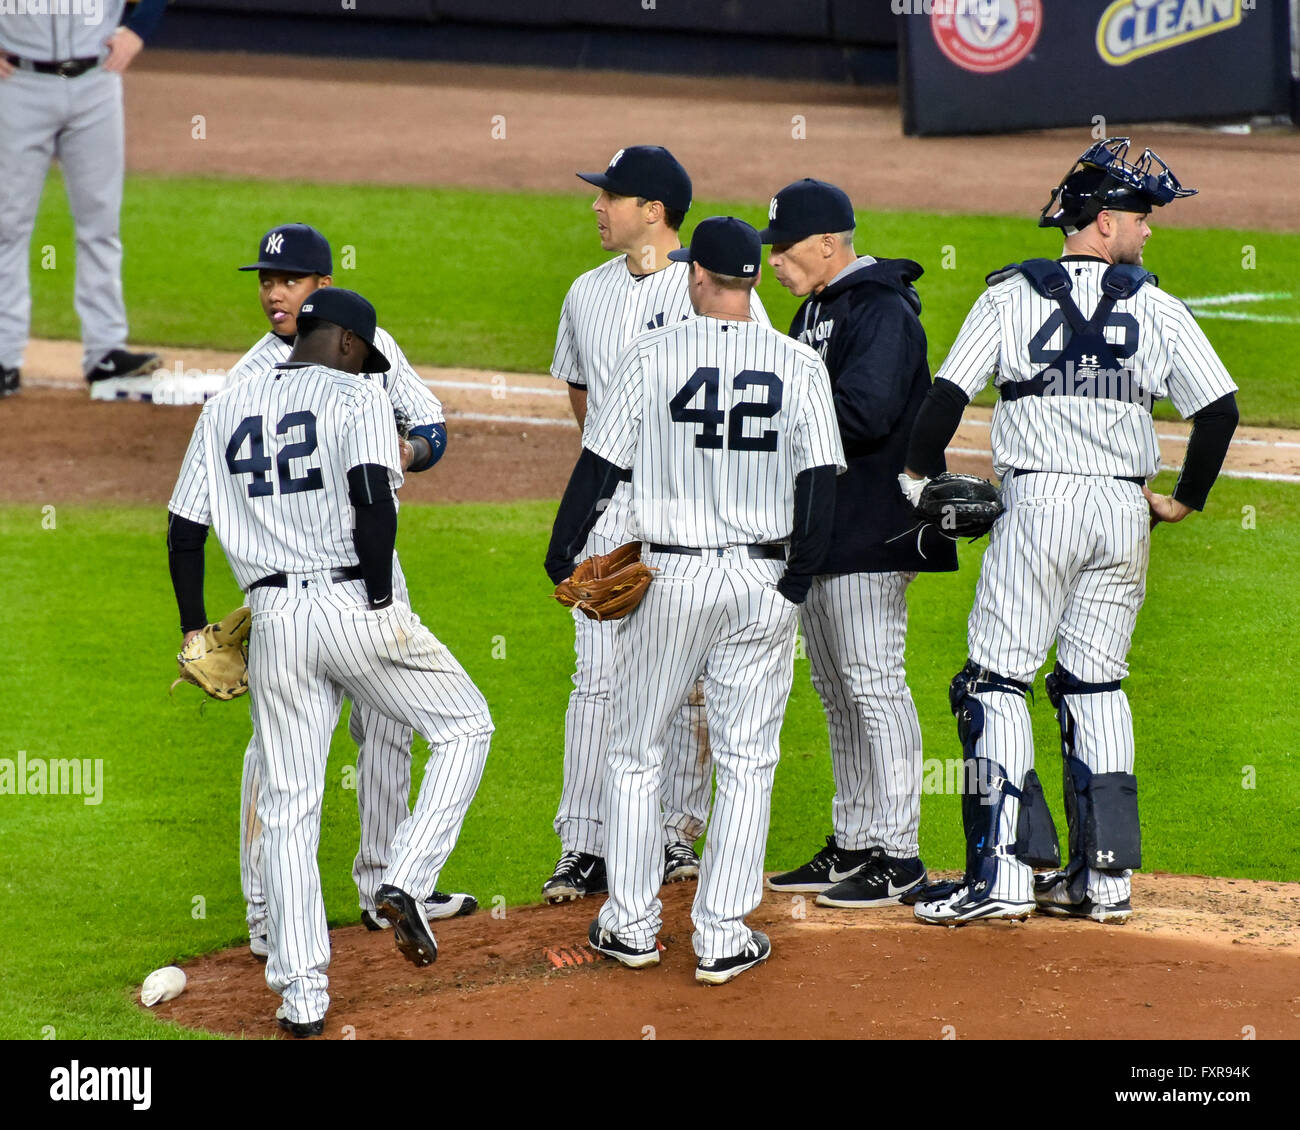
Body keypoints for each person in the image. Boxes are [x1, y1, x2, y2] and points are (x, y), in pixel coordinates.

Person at [900, 138, 1238, 926]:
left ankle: (1004, 878)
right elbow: (1217, 411)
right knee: (1095, 685)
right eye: (1140, 215)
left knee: (994, 683)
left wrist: (918, 481)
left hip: (1039, 508)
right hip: (1123, 513)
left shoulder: (1010, 297)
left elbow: (946, 398)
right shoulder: (1156, 306)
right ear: (1102, 219)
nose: (1149, 230)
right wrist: (1183, 499)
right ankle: (1104, 882)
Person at [167, 288, 494, 1035]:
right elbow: (373, 502)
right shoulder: (356, 400)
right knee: (465, 724)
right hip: (352, 606)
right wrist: (380, 601)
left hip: (275, 621)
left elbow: (184, 532)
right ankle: (404, 880)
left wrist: (196, 633)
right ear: (347, 343)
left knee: (287, 809)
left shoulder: (228, 405)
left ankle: (303, 996)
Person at [547, 218, 845, 984]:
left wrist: (562, 549)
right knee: (748, 758)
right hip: (762, 581)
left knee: (634, 747)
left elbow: (599, 467)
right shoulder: (798, 361)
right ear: (748, 280)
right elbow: (820, 485)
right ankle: (720, 935)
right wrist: (798, 581)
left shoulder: (653, 355)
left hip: (672, 579)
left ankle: (632, 924)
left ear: (695, 276)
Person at [225, 223, 473, 963]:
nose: (274, 291)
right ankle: (267, 912)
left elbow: (431, 424)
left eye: (290, 278)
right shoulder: (248, 376)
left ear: (322, 288)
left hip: (370, 570)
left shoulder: (366, 343)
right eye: (266, 279)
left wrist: (409, 449)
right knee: (276, 757)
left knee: (390, 727)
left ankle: (387, 887)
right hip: (293, 583)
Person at [544, 145, 769, 903]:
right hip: (616, 505)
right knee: (599, 680)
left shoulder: (713, 286)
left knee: (691, 682)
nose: (597, 206)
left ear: (655, 211)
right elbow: (582, 394)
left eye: (611, 196)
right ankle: (584, 843)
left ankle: (675, 836)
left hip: (697, 509)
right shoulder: (586, 292)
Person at [758, 179, 955, 908]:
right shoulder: (816, 308)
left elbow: (866, 413)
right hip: (826, 525)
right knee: (838, 691)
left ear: (827, 243)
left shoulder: (879, 307)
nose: (773, 261)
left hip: (873, 522)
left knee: (873, 683)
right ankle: (856, 841)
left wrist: (777, 417)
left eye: (783, 248)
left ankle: (900, 855)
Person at [0, 0, 168, 398]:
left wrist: (139, 28)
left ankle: (106, 351)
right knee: (7, 225)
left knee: (101, 223)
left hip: (97, 79)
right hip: (17, 83)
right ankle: (3, 356)